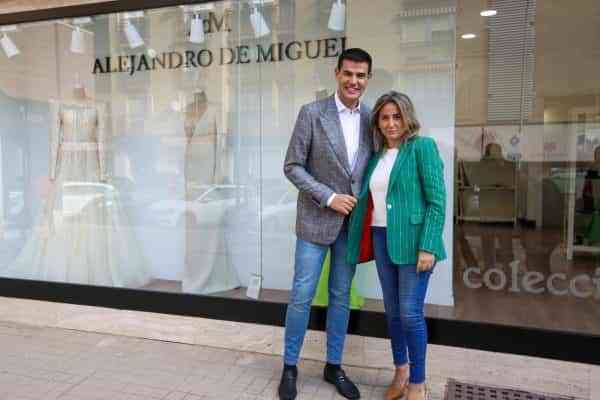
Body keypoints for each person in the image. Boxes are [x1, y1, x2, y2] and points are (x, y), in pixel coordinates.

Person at [279, 48, 373, 400]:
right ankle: (290, 366)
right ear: (337, 74)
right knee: (301, 295)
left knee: (340, 297)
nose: (354, 81)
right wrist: (329, 196)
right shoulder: (312, 113)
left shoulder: (372, 118)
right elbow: (292, 166)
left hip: (351, 225)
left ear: (368, 79)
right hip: (315, 221)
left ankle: (334, 365)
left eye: (360, 75)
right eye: (348, 73)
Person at [347, 91, 446, 400]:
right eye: (385, 118)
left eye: (397, 117)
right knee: (392, 313)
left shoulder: (422, 147)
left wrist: (428, 245)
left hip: (415, 243)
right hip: (381, 239)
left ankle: (418, 382)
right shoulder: (376, 156)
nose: (391, 123)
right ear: (377, 122)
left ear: (407, 118)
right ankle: (400, 370)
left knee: (410, 313)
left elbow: (437, 201)